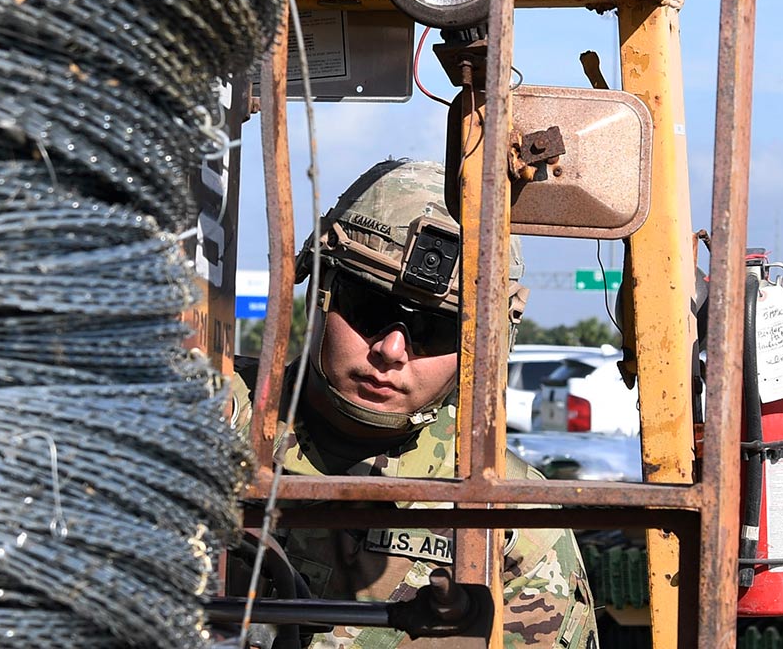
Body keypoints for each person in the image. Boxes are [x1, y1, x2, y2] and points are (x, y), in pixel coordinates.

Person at [230, 158, 597, 649]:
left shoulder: (511, 518)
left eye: (432, 330)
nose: (391, 350)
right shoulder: (207, 412)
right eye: (370, 308)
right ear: (320, 291)